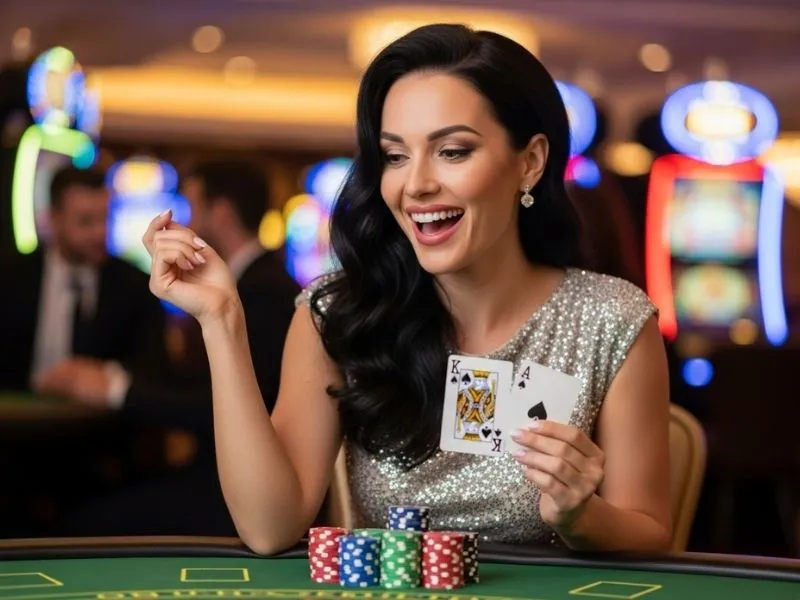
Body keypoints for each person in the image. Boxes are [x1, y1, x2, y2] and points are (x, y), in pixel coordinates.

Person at [142, 24, 671, 554]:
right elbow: (269, 528)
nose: (415, 185)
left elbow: (649, 531)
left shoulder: (611, 319)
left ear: (529, 162)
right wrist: (221, 320)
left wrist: (582, 514)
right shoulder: (339, 314)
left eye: (453, 151)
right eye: (395, 156)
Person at [51, 159, 300, 536]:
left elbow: (230, 408)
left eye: (193, 208)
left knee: (84, 520)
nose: (188, 222)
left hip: (241, 489)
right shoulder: (251, 281)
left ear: (221, 212)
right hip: (216, 473)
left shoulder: (262, 293)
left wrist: (118, 389)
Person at [0, 165, 168, 393]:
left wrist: (102, 376)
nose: (100, 232)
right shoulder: (10, 278)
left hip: (104, 424)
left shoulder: (136, 286)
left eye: (105, 219)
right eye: (86, 221)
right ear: (53, 219)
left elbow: (154, 373)